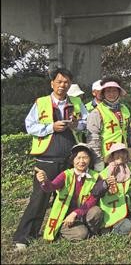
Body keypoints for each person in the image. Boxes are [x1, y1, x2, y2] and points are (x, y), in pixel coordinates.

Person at [13, 68, 88, 250]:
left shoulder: (76, 102)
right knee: (40, 198)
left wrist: (76, 125)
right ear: (52, 83)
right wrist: (51, 127)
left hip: (71, 158)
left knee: (68, 195)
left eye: (66, 82)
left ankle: (61, 229)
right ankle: (23, 237)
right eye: (59, 81)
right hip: (47, 158)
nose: (63, 85)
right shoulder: (41, 102)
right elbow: (30, 126)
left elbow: (86, 123)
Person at [35, 143, 102, 241]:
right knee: (81, 234)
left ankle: (88, 230)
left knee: (96, 211)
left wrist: (75, 213)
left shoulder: (95, 176)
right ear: (72, 160)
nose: (81, 161)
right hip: (66, 215)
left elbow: (92, 200)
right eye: (78, 158)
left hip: (83, 212)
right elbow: (51, 187)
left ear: (90, 159)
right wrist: (44, 181)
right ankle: (64, 230)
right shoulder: (66, 175)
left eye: (85, 157)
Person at [93, 142, 131, 235]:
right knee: (128, 227)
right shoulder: (104, 174)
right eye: (117, 152)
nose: (120, 155)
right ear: (112, 156)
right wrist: (105, 184)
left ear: (126, 155)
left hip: (129, 210)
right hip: (112, 213)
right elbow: (95, 193)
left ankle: (129, 222)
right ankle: (112, 228)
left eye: (123, 152)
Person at [87, 79, 131, 170]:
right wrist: (98, 161)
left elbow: (128, 132)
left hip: (123, 155)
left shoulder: (125, 109)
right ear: (103, 93)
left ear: (119, 92)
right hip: (107, 157)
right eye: (108, 91)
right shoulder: (97, 112)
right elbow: (93, 138)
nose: (112, 94)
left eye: (114, 90)